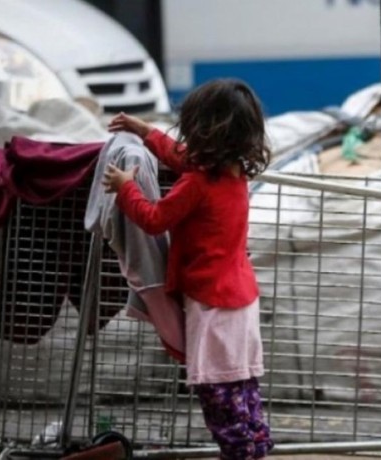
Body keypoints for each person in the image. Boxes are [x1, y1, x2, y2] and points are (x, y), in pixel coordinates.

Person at [103, 79, 273, 459]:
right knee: (244, 391)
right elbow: (182, 157)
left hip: (213, 308)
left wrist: (126, 186)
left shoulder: (197, 183)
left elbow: (153, 218)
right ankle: (256, 448)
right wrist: (146, 132)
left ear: (201, 128)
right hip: (241, 301)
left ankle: (242, 454)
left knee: (218, 397)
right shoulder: (234, 174)